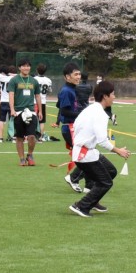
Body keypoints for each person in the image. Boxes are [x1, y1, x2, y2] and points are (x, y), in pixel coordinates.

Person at [69, 80, 130, 218]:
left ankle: (93, 200)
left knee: (111, 171)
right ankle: (81, 206)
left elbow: (76, 126)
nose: (114, 97)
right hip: (85, 154)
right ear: (105, 96)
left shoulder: (90, 109)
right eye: (113, 94)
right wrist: (119, 151)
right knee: (106, 182)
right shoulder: (100, 114)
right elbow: (103, 141)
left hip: (85, 151)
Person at [57, 62, 87, 193]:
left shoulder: (72, 89)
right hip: (70, 128)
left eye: (79, 74)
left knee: (87, 154)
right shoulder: (66, 91)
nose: (78, 77)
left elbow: (59, 106)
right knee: (87, 155)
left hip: (74, 127)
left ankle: (88, 184)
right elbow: (64, 111)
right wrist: (83, 114)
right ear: (67, 77)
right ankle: (74, 178)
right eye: (75, 74)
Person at [7, 59, 43, 166]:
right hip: (18, 112)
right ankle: (22, 159)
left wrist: (40, 111)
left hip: (30, 112)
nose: (26, 68)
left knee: (32, 136)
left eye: (28, 66)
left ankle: (30, 155)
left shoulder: (34, 81)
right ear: (19, 68)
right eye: (23, 66)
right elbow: (11, 95)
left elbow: (38, 96)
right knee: (19, 137)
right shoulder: (14, 80)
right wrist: (12, 109)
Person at [0, 65, 15, 142]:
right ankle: (12, 137)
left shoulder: (0, 78)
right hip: (11, 101)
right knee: (12, 120)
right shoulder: (13, 79)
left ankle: (0, 138)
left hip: (3, 102)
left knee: (1, 120)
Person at [34, 63, 53, 141]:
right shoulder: (48, 80)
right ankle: (40, 137)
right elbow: (50, 91)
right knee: (42, 121)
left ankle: (32, 136)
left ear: (37, 70)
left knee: (33, 119)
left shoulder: (34, 79)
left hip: (34, 102)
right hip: (43, 102)